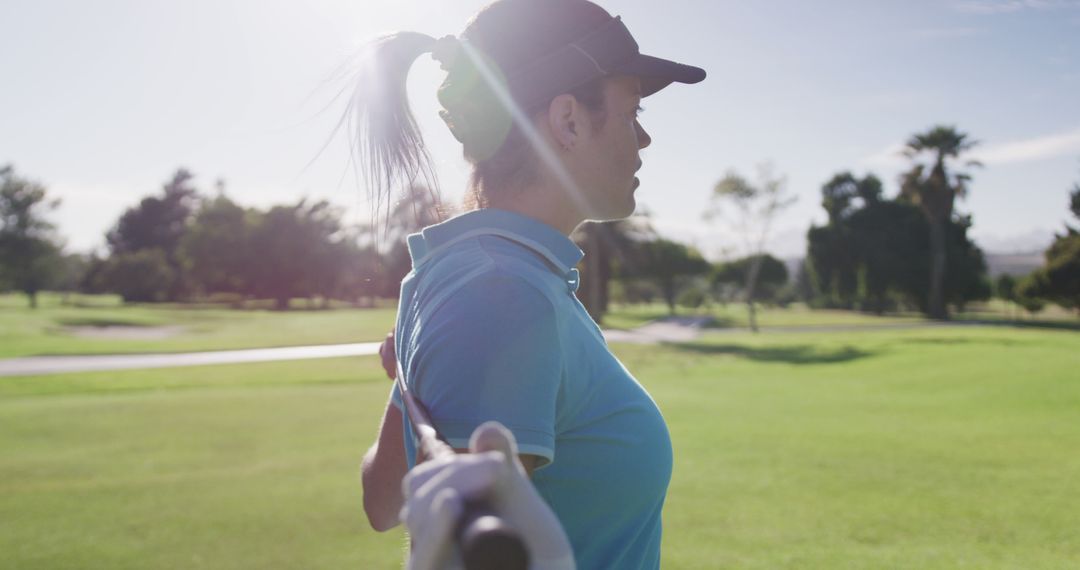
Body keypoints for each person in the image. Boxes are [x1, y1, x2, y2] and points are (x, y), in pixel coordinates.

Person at [356, 1, 705, 567]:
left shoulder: (469, 274)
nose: (643, 139)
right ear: (568, 120)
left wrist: (407, 388)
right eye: (632, 111)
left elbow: (384, 499)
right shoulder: (501, 291)